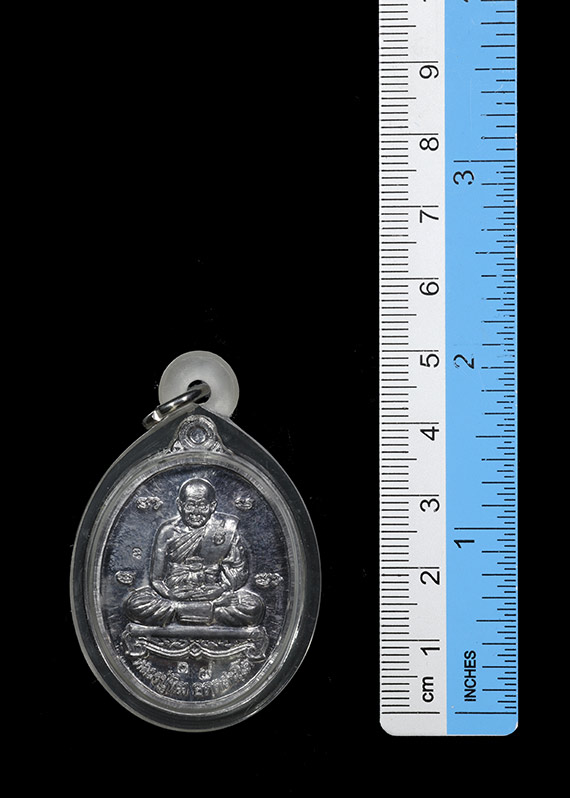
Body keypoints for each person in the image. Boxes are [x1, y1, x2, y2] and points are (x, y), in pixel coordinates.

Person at [125, 478, 265, 627]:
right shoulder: (168, 532)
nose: (196, 512)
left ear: (212, 506)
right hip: (176, 594)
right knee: (136, 605)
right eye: (190, 505)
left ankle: (183, 612)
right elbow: (156, 579)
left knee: (253, 607)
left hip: (214, 594)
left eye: (202, 505)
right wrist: (170, 594)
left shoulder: (226, 530)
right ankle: (207, 611)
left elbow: (239, 571)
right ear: (180, 505)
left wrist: (221, 589)